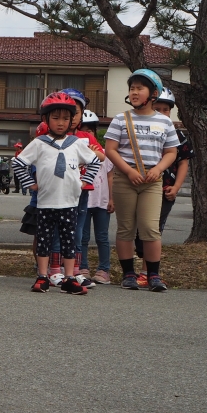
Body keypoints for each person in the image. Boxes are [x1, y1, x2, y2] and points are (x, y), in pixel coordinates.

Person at [13, 93, 101, 294]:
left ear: (72, 121)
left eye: (65, 118)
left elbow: (94, 161)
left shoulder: (77, 143)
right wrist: (30, 183)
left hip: (70, 202)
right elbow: (18, 163)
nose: (60, 123)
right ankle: (43, 276)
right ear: (46, 119)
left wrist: (85, 181)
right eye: (55, 118)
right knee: (44, 241)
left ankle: (69, 277)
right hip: (45, 203)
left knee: (69, 242)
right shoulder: (39, 143)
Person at [104, 69, 179, 291]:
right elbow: (110, 149)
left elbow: (171, 152)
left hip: (152, 180)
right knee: (125, 228)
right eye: (132, 88)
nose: (134, 92)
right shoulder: (120, 119)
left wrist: (158, 169)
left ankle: (153, 275)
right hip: (125, 178)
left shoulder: (165, 122)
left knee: (150, 228)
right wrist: (128, 171)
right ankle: (128, 274)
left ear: (153, 93)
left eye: (140, 88)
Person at [134, 88, 193, 267]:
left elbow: (183, 162)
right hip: (138, 185)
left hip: (164, 189)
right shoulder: (140, 130)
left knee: (153, 229)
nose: (161, 113)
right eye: (157, 109)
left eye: (165, 110)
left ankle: (147, 270)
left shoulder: (178, 135)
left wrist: (176, 188)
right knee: (133, 228)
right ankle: (129, 270)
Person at [80, 109, 114, 284]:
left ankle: (104, 269)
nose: (87, 134)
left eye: (90, 130)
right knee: (83, 236)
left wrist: (112, 199)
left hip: (102, 201)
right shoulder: (77, 151)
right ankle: (82, 266)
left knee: (102, 236)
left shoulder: (103, 152)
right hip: (84, 200)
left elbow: (110, 176)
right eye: (83, 130)